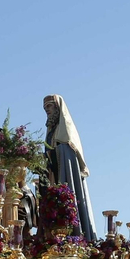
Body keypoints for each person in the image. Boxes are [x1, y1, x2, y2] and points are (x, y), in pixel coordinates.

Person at [42, 94, 94, 241]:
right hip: (54, 175)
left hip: (65, 173)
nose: (47, 110)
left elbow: (67, 151)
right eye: (45, 108)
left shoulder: (66, 130)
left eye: (49, 106)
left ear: (58, 107)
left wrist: (55, 153)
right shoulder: (51, 132)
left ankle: (75, 236)